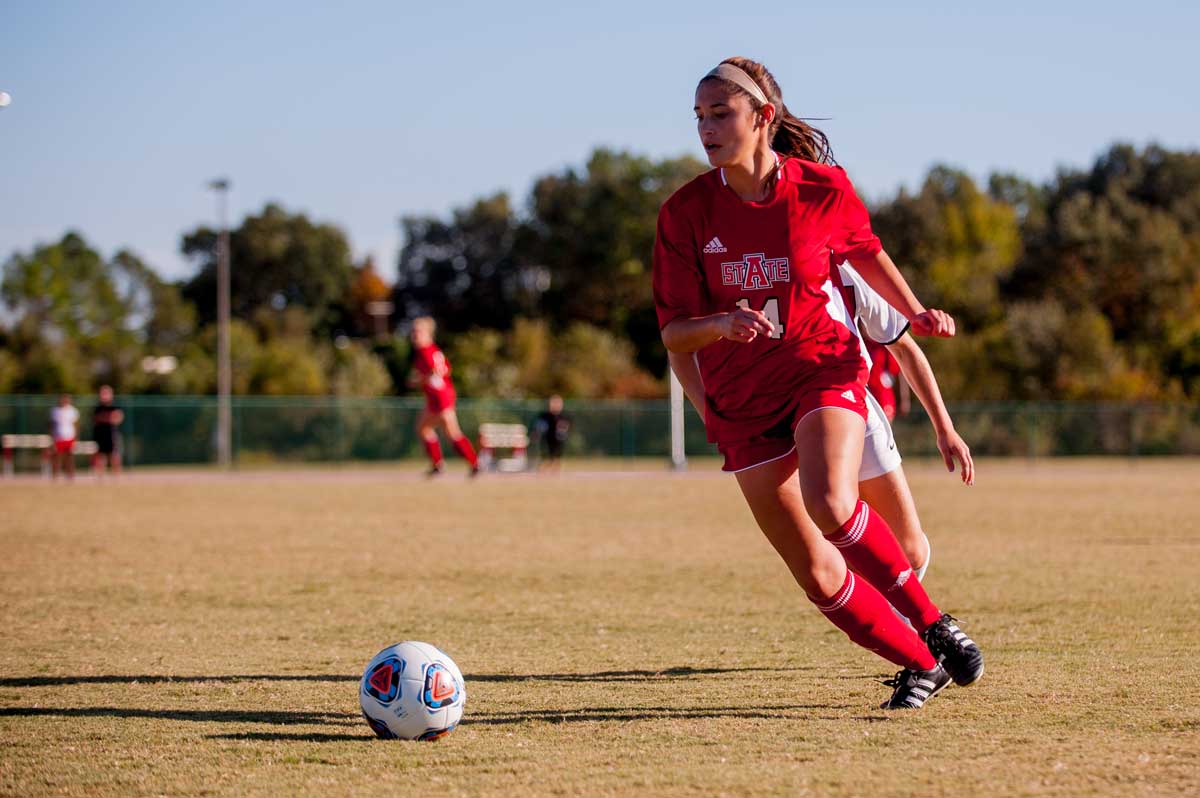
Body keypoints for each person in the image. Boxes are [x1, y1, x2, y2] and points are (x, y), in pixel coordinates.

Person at [653, 57, 983, 709]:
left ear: (763, 117)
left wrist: (913, 310)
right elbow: (674, 334)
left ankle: (935, 624)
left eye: (721, 113)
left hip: (821, 366)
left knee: (832, 501)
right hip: (741, 401)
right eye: (699, 116)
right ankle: (922, 664)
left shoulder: (822, 189)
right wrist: (720, 326)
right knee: (817, 572)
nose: (707, 128)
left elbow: (867, 251)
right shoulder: (684, 213)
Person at [669, 260, 975, 619]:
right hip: (766, 416)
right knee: (826, 554)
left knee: (909, 552)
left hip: (848, 404)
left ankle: (909, 622)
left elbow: (904, 348)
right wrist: (714, 417)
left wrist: (945, 427)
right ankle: (917, 637)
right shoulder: (726, 269)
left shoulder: (844, 271)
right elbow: (678, 344)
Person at [408, 317, 480, 477]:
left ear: (428, 334)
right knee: (438, 431)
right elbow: (446, 369)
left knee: (435, 430)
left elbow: (434, 374)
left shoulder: (426, 352)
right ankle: (470, 463)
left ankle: (447, 463)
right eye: (413, 331)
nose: (414, 335)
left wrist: (417, 381)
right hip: (442, 397)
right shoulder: (434, 351)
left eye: (417, 332)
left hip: (439, 399)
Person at [533, 394, 571, 471]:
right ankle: (542, 472)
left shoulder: (563, 416)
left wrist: (564, 428)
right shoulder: (544, 416)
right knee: (546, 458)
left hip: (558, 441)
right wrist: (536, 433)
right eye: (554, 403)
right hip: (547, 439)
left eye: (558, 403)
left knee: (556, 459)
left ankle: (554, 475)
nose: (556, 405)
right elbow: (539, 427)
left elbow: (566, 427)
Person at [92, 385, 124, 475]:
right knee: (101, 455)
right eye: (103, 393)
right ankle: (100, 476)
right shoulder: (98, 407)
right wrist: (109, 418)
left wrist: (108, 418)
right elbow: (97, 419)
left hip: (112, 434)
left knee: (114, 455)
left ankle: (117, 476)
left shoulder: (115, 406)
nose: (104, 396)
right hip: (100, 435)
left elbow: (118, 418)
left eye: (106, 393)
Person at [48, 394, 79, 480]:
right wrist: (52, 437)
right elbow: (51, 425)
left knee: (69, 457)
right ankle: (55, 476)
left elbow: (76, 425)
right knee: (56, 457)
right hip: (58, 437)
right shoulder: (55, 411)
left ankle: (70, 476)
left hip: (69, 436)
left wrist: (76, 437)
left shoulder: (72, 411)